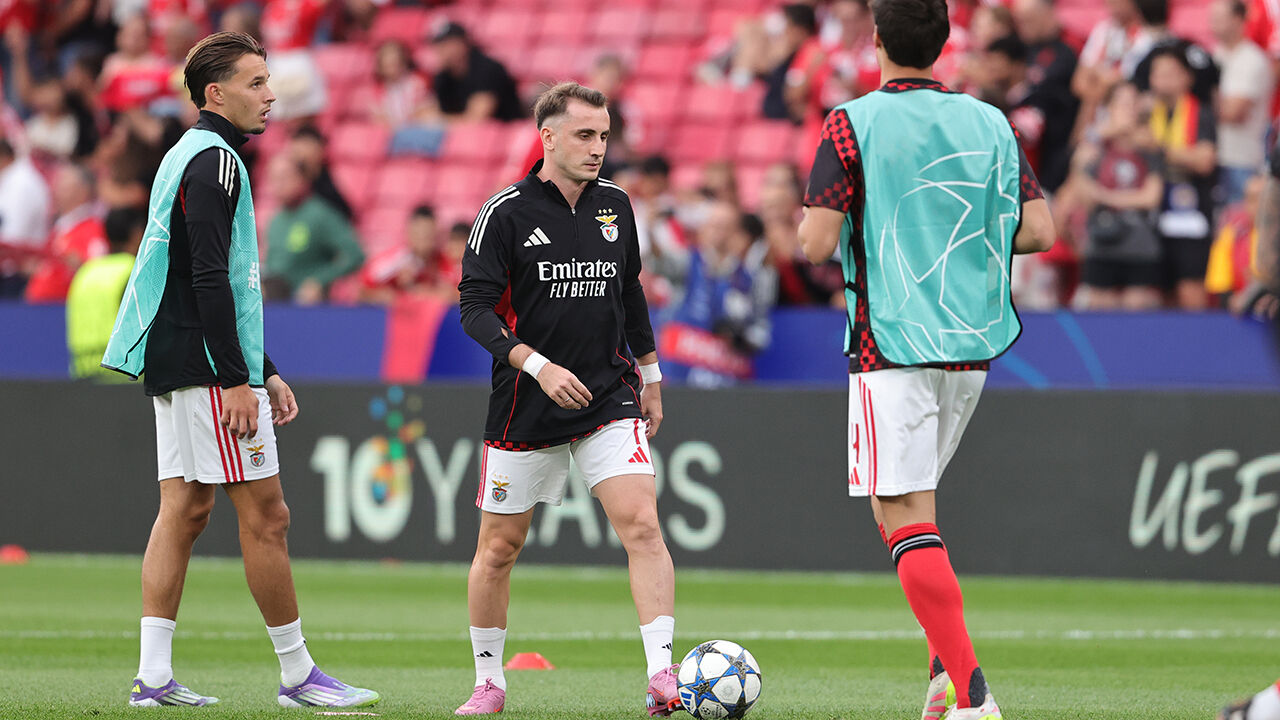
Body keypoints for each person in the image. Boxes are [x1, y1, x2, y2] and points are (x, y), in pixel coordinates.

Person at [100, 31, 379, 709]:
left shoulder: (183, 153)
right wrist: (236, 379)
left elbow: (207, 275)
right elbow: (209, 276)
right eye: (256, 83)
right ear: (215, 94)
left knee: (183, 509)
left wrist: (264, 367)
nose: (271, 95)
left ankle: (153, 677)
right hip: (206, 367)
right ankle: (298, 675)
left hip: (176, 354)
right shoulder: (217, 161)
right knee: (266, 515)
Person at [796, 1, 1055, 719]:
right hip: (971, 344)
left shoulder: (851, 122)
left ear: (877, 39)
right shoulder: (992, 122)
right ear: (943, 43)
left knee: (902, 511)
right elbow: (1039, 230)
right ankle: (944, 675)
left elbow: (815, 243)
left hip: (891, 341)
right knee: (910, 509)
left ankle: (971, 695)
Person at [456, 81, 676, 717]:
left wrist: (651, 374)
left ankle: (662, 676)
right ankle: (489, 682)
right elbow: (473, 310)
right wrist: (538, 365)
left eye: (604, 135)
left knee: (642, 524)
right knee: (499, 549)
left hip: (609, 394)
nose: (598, 147)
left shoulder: (616, 205)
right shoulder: (504, 212)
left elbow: (630, 291)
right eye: (584, 135)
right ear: (547, 137)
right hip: (526, 400)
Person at [1147, 43, 1217, 309]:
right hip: (1152, 211)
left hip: (1189, 211)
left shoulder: (1201, 113)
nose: (1163, 80)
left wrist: (1159, 149)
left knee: (1190, 286)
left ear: (1187, 77)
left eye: (1170, 73)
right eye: (1158, 73)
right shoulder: (1145, 112)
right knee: (1157, 289)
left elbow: (1204, 160)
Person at [263, 152, 364, 304]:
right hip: (275, 301)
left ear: (302, 179)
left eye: (284, 177)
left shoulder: (321, 215)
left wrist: (319, 280)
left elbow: (355, 255)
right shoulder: (275, 220)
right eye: (274, 179)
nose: (279, 185)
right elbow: (272, 265)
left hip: (307, 305)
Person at [66, 206, 144, 380]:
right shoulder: (135, 271)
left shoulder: (85, 271)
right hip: (123, 376)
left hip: (83, 373)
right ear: (136, 234)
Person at [1210, 0, 1272, 205]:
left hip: (1242, 159)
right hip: (1215, 157)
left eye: (1220, 18)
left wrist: (1203, 96)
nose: (1212, 23)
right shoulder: (1215, 55)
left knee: (1239, 219)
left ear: (1238, 20)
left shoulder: (1252, 59)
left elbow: (1233, 112)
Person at [24, 162, 107, 303]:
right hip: (39, 305)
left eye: (64, 187)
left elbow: (97, 270)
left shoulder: (92, 228)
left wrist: (76, 264)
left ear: (83, 191)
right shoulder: (60, 227)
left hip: (63, 306)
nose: (56, 191)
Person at [430, 21, 524, 122]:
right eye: (439, 45)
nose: (441, 51)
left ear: (463, 43)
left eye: (446, 45)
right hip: (463, 130)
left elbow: (477, 119)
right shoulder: (443, 76)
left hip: (508, 128)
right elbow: (434, 111)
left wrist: (438, 120)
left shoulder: (488, 69)